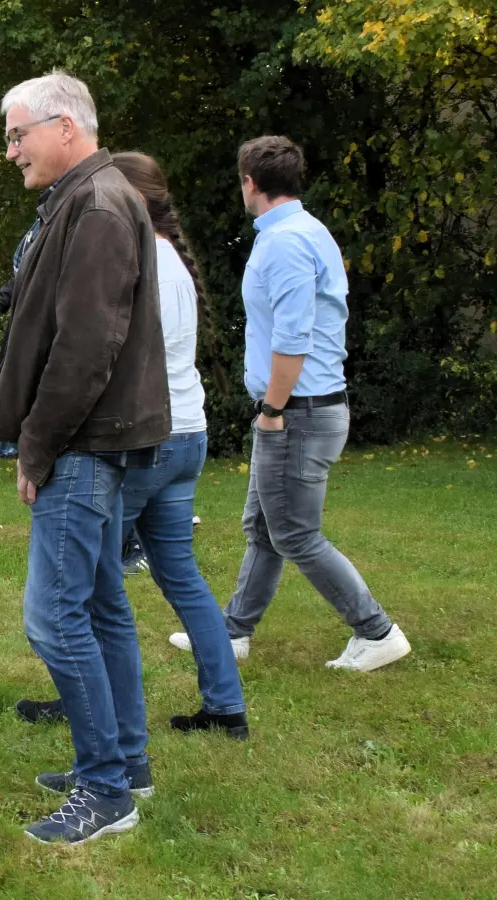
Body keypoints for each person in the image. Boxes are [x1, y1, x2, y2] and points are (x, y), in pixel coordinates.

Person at [0, 71, 171, 845]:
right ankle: (127, 761)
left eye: (17, 134)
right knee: (99, 606)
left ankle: (106, 790)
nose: (10, 151)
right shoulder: (86, 199)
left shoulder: (95, 205)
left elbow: (88, 346)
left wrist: (37, 444)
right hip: (95, 442)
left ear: (65, 127)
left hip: (83, 446)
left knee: (54, 619)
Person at [15, 152, 250, 741]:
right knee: (180, 577)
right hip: (190, 433)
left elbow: (109, 354)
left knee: (93, 589)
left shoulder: (140, 256)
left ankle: (92, 710)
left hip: (150, 438)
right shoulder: (173, 259)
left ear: (136, 200)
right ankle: (225, 705)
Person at [170, 137, 411, 672]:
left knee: (295, 533)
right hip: (299, 409)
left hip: (298, 411)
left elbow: (293, 337)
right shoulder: (305, 231)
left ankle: (376, 631)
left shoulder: (285, 243)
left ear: (250, 182)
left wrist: (273, 409)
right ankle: (232, 631)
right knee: (264, 527)